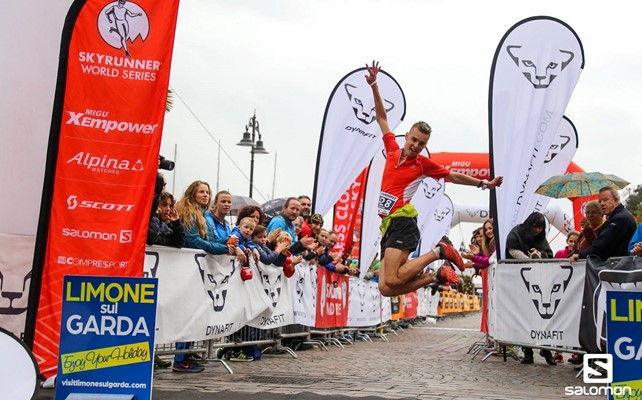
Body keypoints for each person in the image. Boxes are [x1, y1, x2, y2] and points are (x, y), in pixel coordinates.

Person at [365, 61, 503, 297]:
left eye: (422, 144)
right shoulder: (391, 149)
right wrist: (375, 85)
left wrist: (483, 184)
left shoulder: (422, 164)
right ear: (407, 136)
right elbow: (381, 117)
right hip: (388, 224)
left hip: (403, 222)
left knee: (391, 279)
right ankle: (435, 275)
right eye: (414, 140)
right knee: (386, 288)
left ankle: (440, 251)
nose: (417, 146)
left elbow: (453, 175)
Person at [505, 212, 555, 365]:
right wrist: (529, 260)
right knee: (524, 318)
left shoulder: (541, 238)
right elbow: (512, 251)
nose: (537, 231)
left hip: (539, 282)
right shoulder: (516, 233)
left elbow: (549, 254)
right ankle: (528, 352)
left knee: (542, 318)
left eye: (540, 228)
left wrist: (538, 254)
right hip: (520, 282)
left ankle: (546, 350)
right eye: (535, 227)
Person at [570, 187, 637, 262]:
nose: (601, 203)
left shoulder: (620, 218)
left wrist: (581, 255)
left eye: (605, 200)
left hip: (618, 267)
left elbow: (602, 244)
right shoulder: (614, 218)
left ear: (616, 200)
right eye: (600, 201)